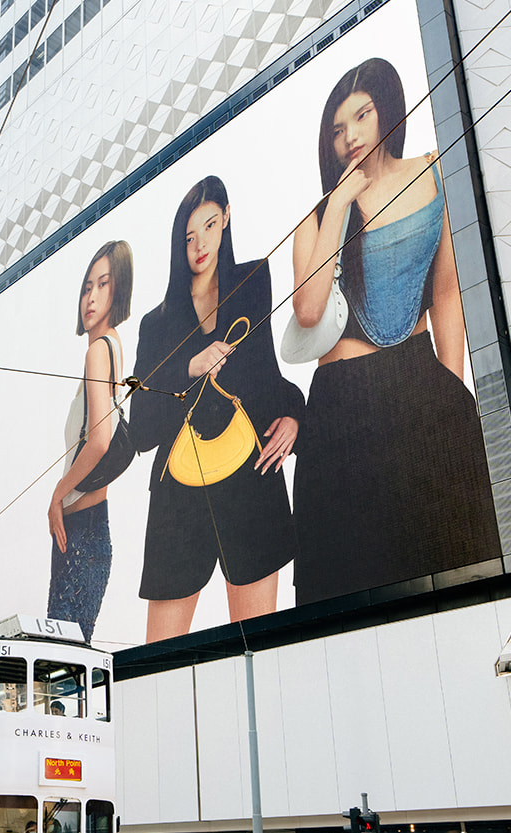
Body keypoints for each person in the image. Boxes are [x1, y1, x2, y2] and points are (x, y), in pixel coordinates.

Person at [291, 57, 500, 606]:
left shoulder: (434, 173)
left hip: (417, 384)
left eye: (362, 116)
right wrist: (338, 202)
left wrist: (451, 392)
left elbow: (448, 295)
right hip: (340, 404)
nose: (351, 136)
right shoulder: (317, 218)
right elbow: (309, 311)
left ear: (387, 110)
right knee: (344, 584)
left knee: (450, 558)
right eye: (337, 129)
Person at [129, 175, 304, 642]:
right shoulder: (157, 323)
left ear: (226, 218)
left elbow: (264, 377)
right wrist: (189, 366)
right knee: (159, 664)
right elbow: (141, 429)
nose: (200, 243)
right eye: (189, 236)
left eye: (209, 225)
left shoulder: (252, 281)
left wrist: (294, 414)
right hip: (179, 498)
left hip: (251, 480)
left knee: (256, 654)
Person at [47, 240, 134, 644]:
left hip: (81, 535)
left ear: (120, 290)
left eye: (103, 284)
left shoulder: (99, 352)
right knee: (67, 662)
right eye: (86, 287)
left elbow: (99, 440)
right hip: (89, 531)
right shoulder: (112, 347)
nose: (91, 297)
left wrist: (57, 495)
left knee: (61, 665)